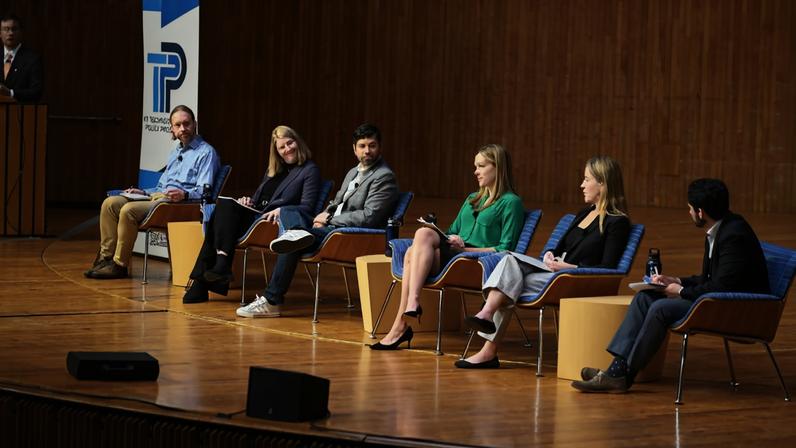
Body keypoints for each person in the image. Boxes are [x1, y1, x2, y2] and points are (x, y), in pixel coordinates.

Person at [572, 178, 769, 392]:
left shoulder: (733, 235)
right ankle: (616, 369)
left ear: (700, 212)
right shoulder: (721, 228)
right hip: (716, 298)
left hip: (735, 308)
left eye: (690, 209)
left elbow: (722, 286)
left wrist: (681, 291)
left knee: (660, 308)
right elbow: (711, 278)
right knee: (645, 298)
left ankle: (622, 376)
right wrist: (676, 280)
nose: (690, 213)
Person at [457, 155, 631, 368]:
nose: (582, 185)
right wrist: (549, 253)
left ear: (602, 183)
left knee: (506, 280)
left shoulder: (617, 222)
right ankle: (487, 336)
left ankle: (487, 338)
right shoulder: (585, 212)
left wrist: (569, 267)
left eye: (587, 180)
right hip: (553, 273)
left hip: (572, 279)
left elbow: (609, 267)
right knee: (508, 265)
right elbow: (558, 247)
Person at [370, 144, 525, 350]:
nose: (475, 171)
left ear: (498, 168)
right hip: (452, 255)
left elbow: (506, 249)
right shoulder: (472, 198)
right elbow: (453, 229)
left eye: (481, 166)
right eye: (475, 166)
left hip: (474, 263)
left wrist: (465, 250)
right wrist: (451, 236)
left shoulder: (511, 203)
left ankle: (403, 321)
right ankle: (410, 307)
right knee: (422, 235)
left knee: (412, 251)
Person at [235, 123, 399, 318]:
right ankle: (296, 234)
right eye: (362, 146)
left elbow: (369, 217)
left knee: (293, 240)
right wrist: (323, 216)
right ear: (354, 149)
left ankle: (272, 301)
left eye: (372, 145)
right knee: (289, 217)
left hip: (352, 235)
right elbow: (336, 202)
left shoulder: (384, 176)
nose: (367, 151)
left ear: (379, 147)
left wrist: (330, 219)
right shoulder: (353, 172)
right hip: (329, 229)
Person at [182, 125, 321, 303]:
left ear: (297, 142)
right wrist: (248, 201)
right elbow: (258, 199)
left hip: (275, 222)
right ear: (276, 152)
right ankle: (220, 266)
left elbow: (308, 208)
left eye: (290, 143)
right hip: (257, 214)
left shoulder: (309, 170)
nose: (287, 149)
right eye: (282, 147)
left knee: (221, 213)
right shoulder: (273, 171)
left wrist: (281, 210)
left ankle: (204, 281)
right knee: (224, 204)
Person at [84, 105, 220, 279]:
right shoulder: (175, 151)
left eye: (186, 124)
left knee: (128, 210)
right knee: (110, 203)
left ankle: (119, 265)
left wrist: (184, 195)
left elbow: (205, 192)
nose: (183, 129)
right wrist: (141, 192)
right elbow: (160, 187)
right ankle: (106, 258)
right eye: (177, 125)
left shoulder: (206, 153)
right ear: (171, 128)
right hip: (159, 198)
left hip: (180, 205)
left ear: (195, 124)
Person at [0, 14, 43, 103]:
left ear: (20, 32)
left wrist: (10, 93)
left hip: (20, 113)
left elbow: (36, 92)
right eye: (6, 29)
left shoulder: (32, 59)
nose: (10, 33)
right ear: (0, 33)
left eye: (14, 29)